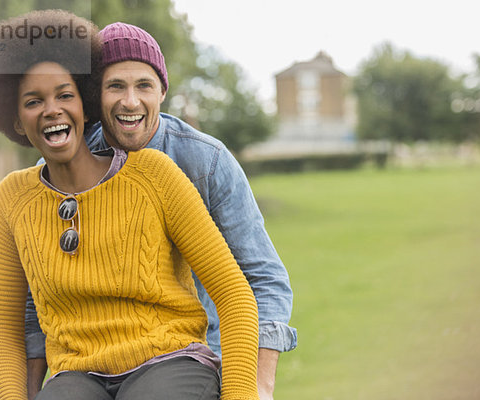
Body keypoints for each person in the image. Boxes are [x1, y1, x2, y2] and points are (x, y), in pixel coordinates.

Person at [0, 10, 260, 400]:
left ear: (85, 105)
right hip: (76, 373)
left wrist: (242, 394)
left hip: (168, 359)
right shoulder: (13, 198)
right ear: (17, 120)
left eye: (64, 95)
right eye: (33, 101)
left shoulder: (155, 174)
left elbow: (234, 293)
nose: (52, 109)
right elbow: (5, 327)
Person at [24, 21, 297, 400]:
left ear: (163, 92)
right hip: (91, 365)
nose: (130, 101)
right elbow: (33, 300)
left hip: (199, 355)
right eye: (115, 86)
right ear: (93, 96)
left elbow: (263, 277)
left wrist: (257, 386)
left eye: (144, 85)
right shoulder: (70, 162)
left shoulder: (206, 161)